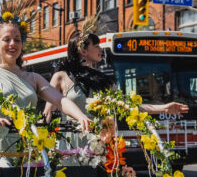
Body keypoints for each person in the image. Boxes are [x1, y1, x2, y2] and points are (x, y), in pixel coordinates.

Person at [0, 8, 92, 163]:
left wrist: (81, 116)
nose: (12, 44)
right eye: (6, 39)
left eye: (17, 40)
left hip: (27, 149)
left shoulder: (33, 78)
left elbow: (60, 100)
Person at [43, 28, 189, 120]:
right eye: (96, 46)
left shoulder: (103, 80)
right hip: (71, 145)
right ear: (83, 51)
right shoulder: (61, 77)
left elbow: (126, 105)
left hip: (99, 145)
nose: (100, 49)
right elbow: (47, 113)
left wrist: (163, 108)